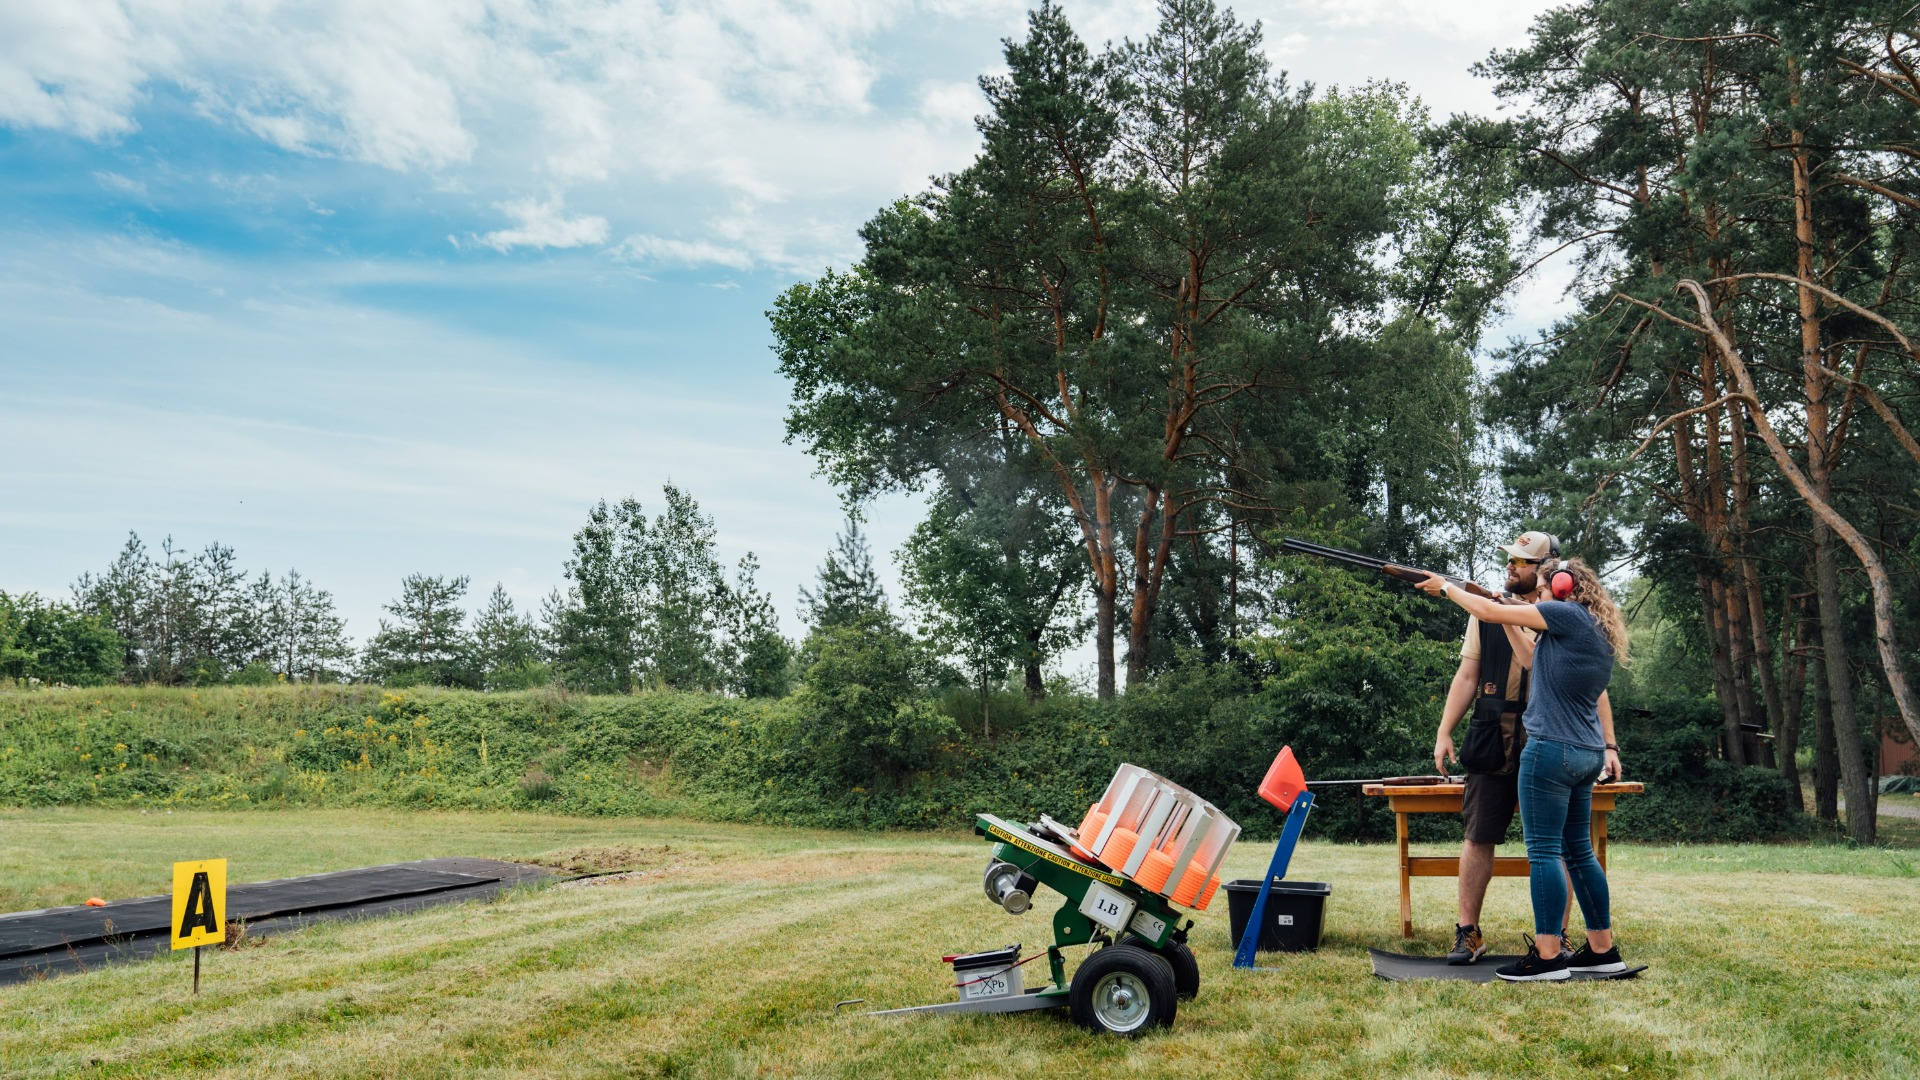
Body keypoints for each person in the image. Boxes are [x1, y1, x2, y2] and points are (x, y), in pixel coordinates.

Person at [1419, 556, 1630, 982]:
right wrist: (1512, 619)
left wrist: (1446, 588)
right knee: (1578, 852)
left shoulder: (1561, 612)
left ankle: (1548, 957)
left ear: (1565, 586)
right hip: (1585, 752)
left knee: (1545, 852)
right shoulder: (1593, 625)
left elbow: (1488, 612)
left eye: (1545, 585)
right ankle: (1603, 951)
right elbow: (1535, 662)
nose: (1540, 592)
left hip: (1550, 750)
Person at [1431, 531, 1550, 964]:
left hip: (1546, 737)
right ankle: (1468, 931)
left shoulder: (1563, 611)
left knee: (1553, 844)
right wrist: (1445, 732)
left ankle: (1553, 938)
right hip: (1489, 735)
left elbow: (1591, 690)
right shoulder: (1485, 611)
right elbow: (1467, 676)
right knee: (1478, 836)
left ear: (1545, 567)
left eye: (1522, 561)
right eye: (1511, 559)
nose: (1512, 566)